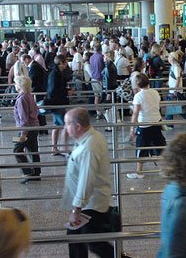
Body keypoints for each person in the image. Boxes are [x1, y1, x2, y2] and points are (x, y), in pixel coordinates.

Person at [62, 108, 115, 258]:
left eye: (67, 124)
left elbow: (86, 180)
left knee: (95, 244)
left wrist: (76, 210)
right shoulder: (92, 137)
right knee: (75, 236)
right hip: (89, 203)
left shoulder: (89, 147)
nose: (65, 128)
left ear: (78, 126)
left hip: (91, 205)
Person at [127, 74, 166, 179]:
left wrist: (132, 129)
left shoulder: (138, 96)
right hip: (156, 122)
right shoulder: (155, 92)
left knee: (141, 147)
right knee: (160, 146)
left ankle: (139, 172)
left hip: (144, 125)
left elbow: (135, 113)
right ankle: (164, 169)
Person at [13, 76, 41, 184]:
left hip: (25, 129)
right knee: (33, 150)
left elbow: (24, 119)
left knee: (16, 149)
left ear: (20, 86)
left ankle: (28, 172)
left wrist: (23, 134)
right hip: (33, 127)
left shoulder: (22, 99)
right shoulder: (29, 96)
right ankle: (36, 173)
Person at [47, 54, 74, 155]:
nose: (66, 64)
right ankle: (65, 149)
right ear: (60, 63)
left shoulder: (57, 73)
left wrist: (66, 91)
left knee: (57, 126)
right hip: (58, 103)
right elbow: (54, 90)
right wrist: (67, 92)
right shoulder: (55, 74)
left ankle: (55, 148)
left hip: (58, 102)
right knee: (65, 126)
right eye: (65, 62)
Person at [101, 51, 119, 132]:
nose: (103, 58)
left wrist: (108, 92)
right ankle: (114, 123)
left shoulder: (108, 67)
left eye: (104, 56)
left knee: (108, 108)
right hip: (112, 88)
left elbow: (108, 80)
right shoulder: (112, 66)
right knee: (111, 108)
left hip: (108, 89)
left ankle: (110, 125)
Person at [90, 44, 104, 119]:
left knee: (96, 96)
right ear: (101, 49)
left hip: (93, 78)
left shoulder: (91, 57)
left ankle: (98, 112)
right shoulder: (102, 57)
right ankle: (105, 113)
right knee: (103, 96)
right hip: (99, 79)